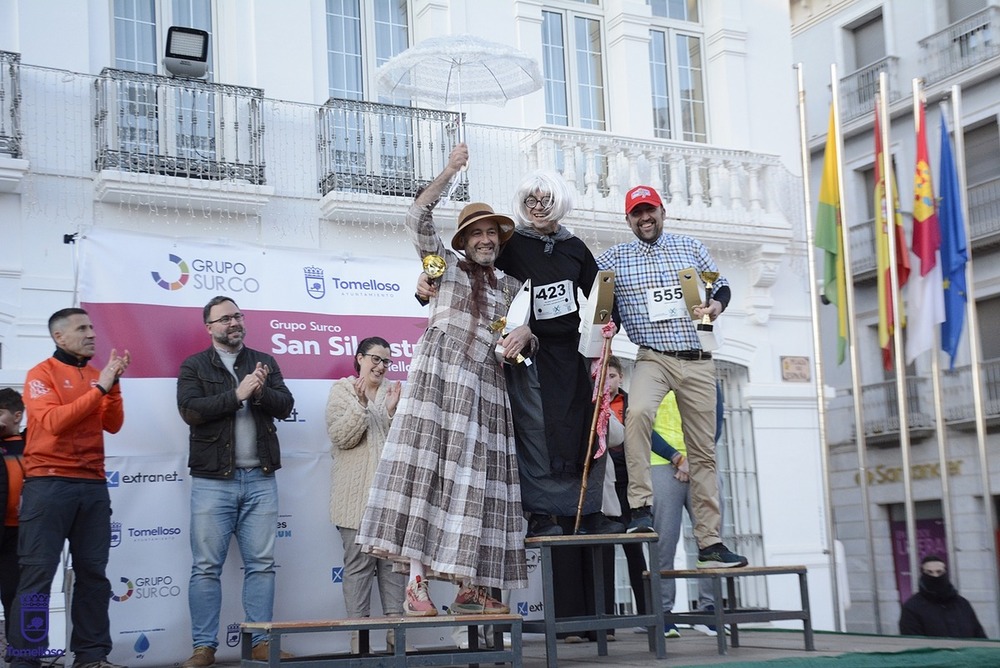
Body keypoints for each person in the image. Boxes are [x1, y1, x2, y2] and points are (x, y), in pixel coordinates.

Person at [357, 144, 531, 617]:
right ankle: (416, 585)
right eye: (477, 233)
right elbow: (416, 217)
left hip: (486, 386)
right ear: (463, 241)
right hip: (440, 380)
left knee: (481, 482)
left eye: (492, 233)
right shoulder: (444, 267)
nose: (486, 240)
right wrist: (449, 171)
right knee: (424, 475)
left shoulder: (512, 287)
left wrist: (526, 334)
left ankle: (471, 585)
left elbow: (521, 338)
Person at [418, 169, 619, 538]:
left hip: (571, 354)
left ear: (559, 201)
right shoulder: (511, 248)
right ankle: (542, 514)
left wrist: (608, 328)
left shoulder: (575, 247)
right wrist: (425, 283)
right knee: (535, 429)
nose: (539, 208)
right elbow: (475, 271)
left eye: (546, 200)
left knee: (585, 425)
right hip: (526, 355)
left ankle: (589, 509)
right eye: (531, 201)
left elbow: (600, 297)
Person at [596, 185, 747, 569]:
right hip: (653, 356)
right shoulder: (612, 259)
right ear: (628, 219)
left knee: (704, 451)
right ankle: (641, 507)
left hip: (697, 358)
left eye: (651, 211)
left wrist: (717, 303)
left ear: (663, 211)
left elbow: (721, 283)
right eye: (637, 213)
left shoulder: (691, 247)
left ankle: (711, 543)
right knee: (638, 413)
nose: (645, 218)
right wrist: (604, 321)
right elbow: (597, 303)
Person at [176, 296, 295, 667]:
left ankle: (260, 641)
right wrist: (236, 394)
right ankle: (203, 647)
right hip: (214, 481)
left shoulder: (264, 362)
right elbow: (191, 411)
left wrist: (259, 391)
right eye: (225, 318)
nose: (234, 323)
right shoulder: (195, 365)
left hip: (260, 478)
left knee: (261, 563)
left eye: (238, 316)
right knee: (206, 566)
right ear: (209, 327)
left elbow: (286, 405)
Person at [9, 308, 130, 668]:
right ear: (59, 337)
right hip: (48, 485)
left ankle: (92, 656)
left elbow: (114, 424)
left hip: (92, 485)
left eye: (92, 327)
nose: (91, 333)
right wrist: (102, 386)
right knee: (37, 576)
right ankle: (27, 659)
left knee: (93, 575)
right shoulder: (40, 374)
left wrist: (114, 384)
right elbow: (53, 422)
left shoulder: (98, 376)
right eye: (82, 328)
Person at [325, 336, 405, 652]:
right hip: (353, 500)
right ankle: (359, 638)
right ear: (359, 358)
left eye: (386, 360)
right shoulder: (342, 392)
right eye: (375, 358)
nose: (381, 366)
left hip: (391, 501)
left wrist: (390, 413)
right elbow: (341, 437)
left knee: (393, 571)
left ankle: (395, 637)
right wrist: (363, 408)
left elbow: (404, 443)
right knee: (358, 571)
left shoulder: (397, 392)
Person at [651, 387, 725, 638]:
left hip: (701, 465)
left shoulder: (707, 378)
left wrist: (692, 459)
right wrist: (677, 458)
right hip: (661, 465)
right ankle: (664, 613)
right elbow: (642, 425)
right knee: (664, 541)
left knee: (711, 540)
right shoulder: (651, 376)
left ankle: (709, 610)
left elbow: (715, 423)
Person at [602, 358, 647, 616]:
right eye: (603, 377)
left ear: (620, 377)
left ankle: (645, 612)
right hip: (606, 484)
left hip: (628, 484)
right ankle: (606, 618)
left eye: (612, 376)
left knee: (635, 550)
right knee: (605, 551)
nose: (607, 382)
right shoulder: (592, 404)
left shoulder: (632, 405)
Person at [899, 555, 987, 639]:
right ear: (922, 574)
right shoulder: (912, 607)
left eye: (939, 572)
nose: (935, 576)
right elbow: (913, 643)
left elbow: (979, 637)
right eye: (929, 572)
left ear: (945, 573)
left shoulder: (963, 604)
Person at [0, 388, 25, 654]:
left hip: (24, 531)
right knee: (8, 590)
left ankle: (23, 650)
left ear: (17, 415)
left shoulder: (30, 441)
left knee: (19, 592)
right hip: (2, 529)